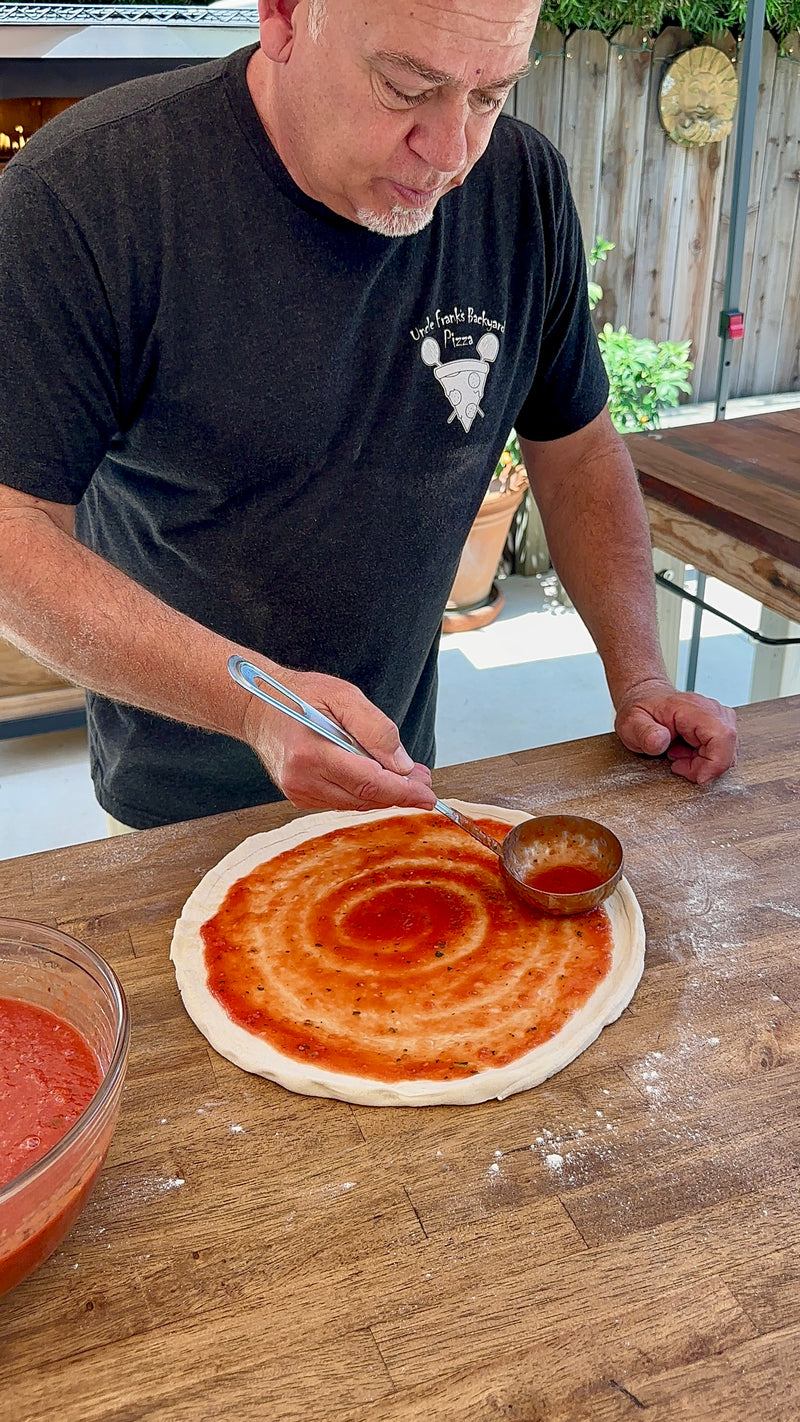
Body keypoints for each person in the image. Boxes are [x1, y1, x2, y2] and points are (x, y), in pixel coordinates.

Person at [0, 0, 737, 832]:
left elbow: (576, 449)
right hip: (175, 799)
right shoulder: (88, 196)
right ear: (281, 16)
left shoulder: (521, 188)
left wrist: (640, 677)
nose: (452, 153)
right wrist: (254, 706)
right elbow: (10, 529)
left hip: (399, 769)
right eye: (404, 87)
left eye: (491, 95)